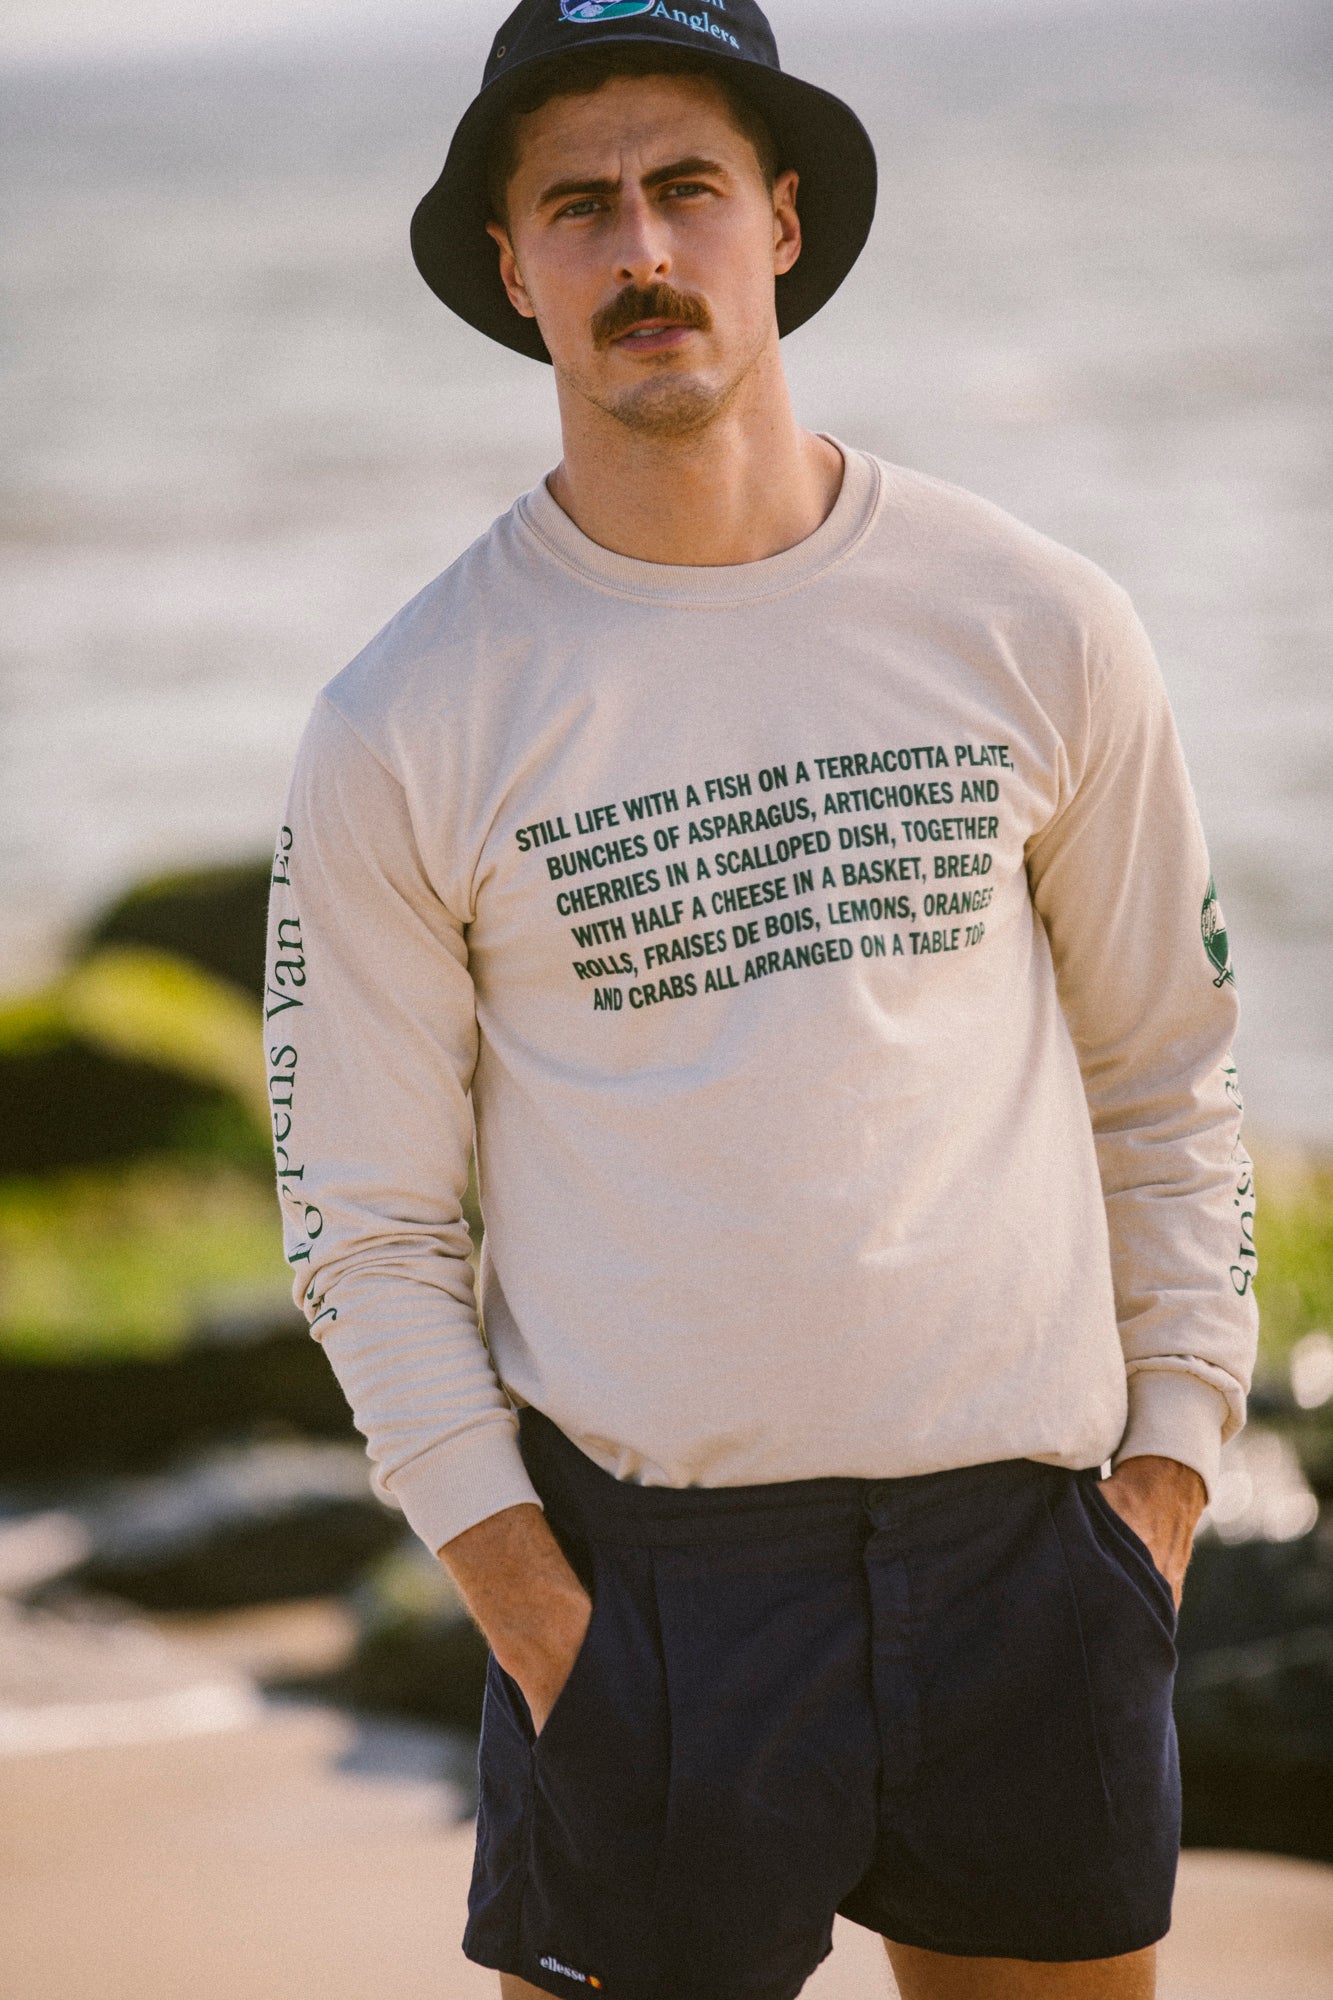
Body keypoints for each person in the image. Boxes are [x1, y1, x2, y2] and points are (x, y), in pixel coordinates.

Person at [264, 3, 1258, 1995]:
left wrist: (1161, 1479)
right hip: (649, 1597)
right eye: (578, 204)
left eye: (685, 187)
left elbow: (1169, 1075)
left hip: (1029, 1558)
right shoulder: (406, 718)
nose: (640, 246)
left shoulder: (1033, 617)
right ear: (510, 262)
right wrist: (540, 1612)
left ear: (779, 222)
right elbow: (361, 1229)